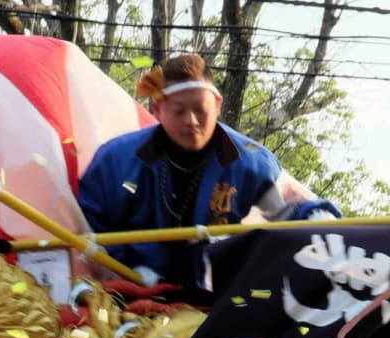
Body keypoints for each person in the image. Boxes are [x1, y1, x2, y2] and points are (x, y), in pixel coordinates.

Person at [78, 52, 340, 286]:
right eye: (179, 111)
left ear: (217, 105)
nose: (191, 121)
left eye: (200, 110)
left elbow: (285, 214)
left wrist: (319, 221)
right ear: (157, 109)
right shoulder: (116, 160)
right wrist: (124, 269)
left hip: (213, 298)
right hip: (129, 290)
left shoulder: (248, 161)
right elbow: (88, 227)